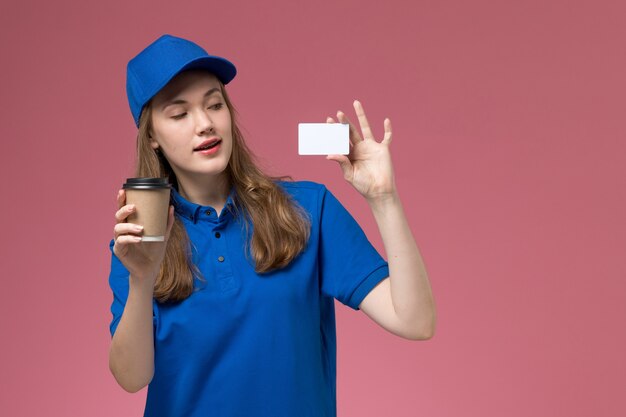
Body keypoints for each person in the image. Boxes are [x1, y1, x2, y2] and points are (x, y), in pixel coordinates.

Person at [108, 33, 436, 417]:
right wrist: (142, 277)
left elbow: (416, 321)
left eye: (214, 104)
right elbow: (131, 378)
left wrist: (385, 200)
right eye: (180, 114)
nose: (205, 124)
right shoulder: (138, 242)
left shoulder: (307, 209)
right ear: (152, 138)